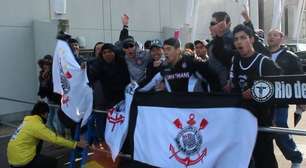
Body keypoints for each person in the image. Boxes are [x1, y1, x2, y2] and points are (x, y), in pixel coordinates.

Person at [229, 24, 281, 168]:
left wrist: (256, 92)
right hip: (243, 119)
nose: (239, 42)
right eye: (236, 39)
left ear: (251, 39)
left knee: (265, 159)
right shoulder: (236, 61)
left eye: (243, 38)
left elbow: (280, 86)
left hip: (262, 120)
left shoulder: (265, 62)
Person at [7, 102, 88, 168]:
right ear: (43, 114)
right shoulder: (37, 125)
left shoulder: (28, 121)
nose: (48, 116)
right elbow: (55, 139)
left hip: (12, 160)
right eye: (47, 114)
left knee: (39, 143)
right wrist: (75, 144)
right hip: (22, 161)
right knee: (52, 162)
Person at [267, 28, 304, 168]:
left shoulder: (290, 56)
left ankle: (295, 157)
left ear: (281, 38)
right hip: (263, 100)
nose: (271, 37)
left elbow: (299, 79)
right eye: (269, 35)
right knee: (264, 133)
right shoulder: (261, 54)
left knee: (279, 128)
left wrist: (301, 102)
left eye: (275, 35)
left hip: (281, 100)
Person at [139, 37, 220, 93]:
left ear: (178, 50)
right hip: (176, 110)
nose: (165, 52)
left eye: (168, 49)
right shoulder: (164, 67)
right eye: (164, 49)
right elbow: (148, 84)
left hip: (195, 109)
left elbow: (213, 79)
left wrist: (211, 101)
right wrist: (133, 89)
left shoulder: (191, 63)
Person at [87, 43, 131, 143]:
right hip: (108, 102)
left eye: (110, 51)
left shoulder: (123, 63)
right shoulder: (98, 65)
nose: (107, 54)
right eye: (104, 52)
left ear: (115, 52)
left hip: (124, 101)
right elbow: (90, 76)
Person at [208, 11, 235, 92]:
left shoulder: (229, 39)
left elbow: (225, 58)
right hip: (216, 83)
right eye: (211, 24)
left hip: (225, 86)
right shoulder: (217, 39)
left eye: (213, 23)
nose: (211, 26)